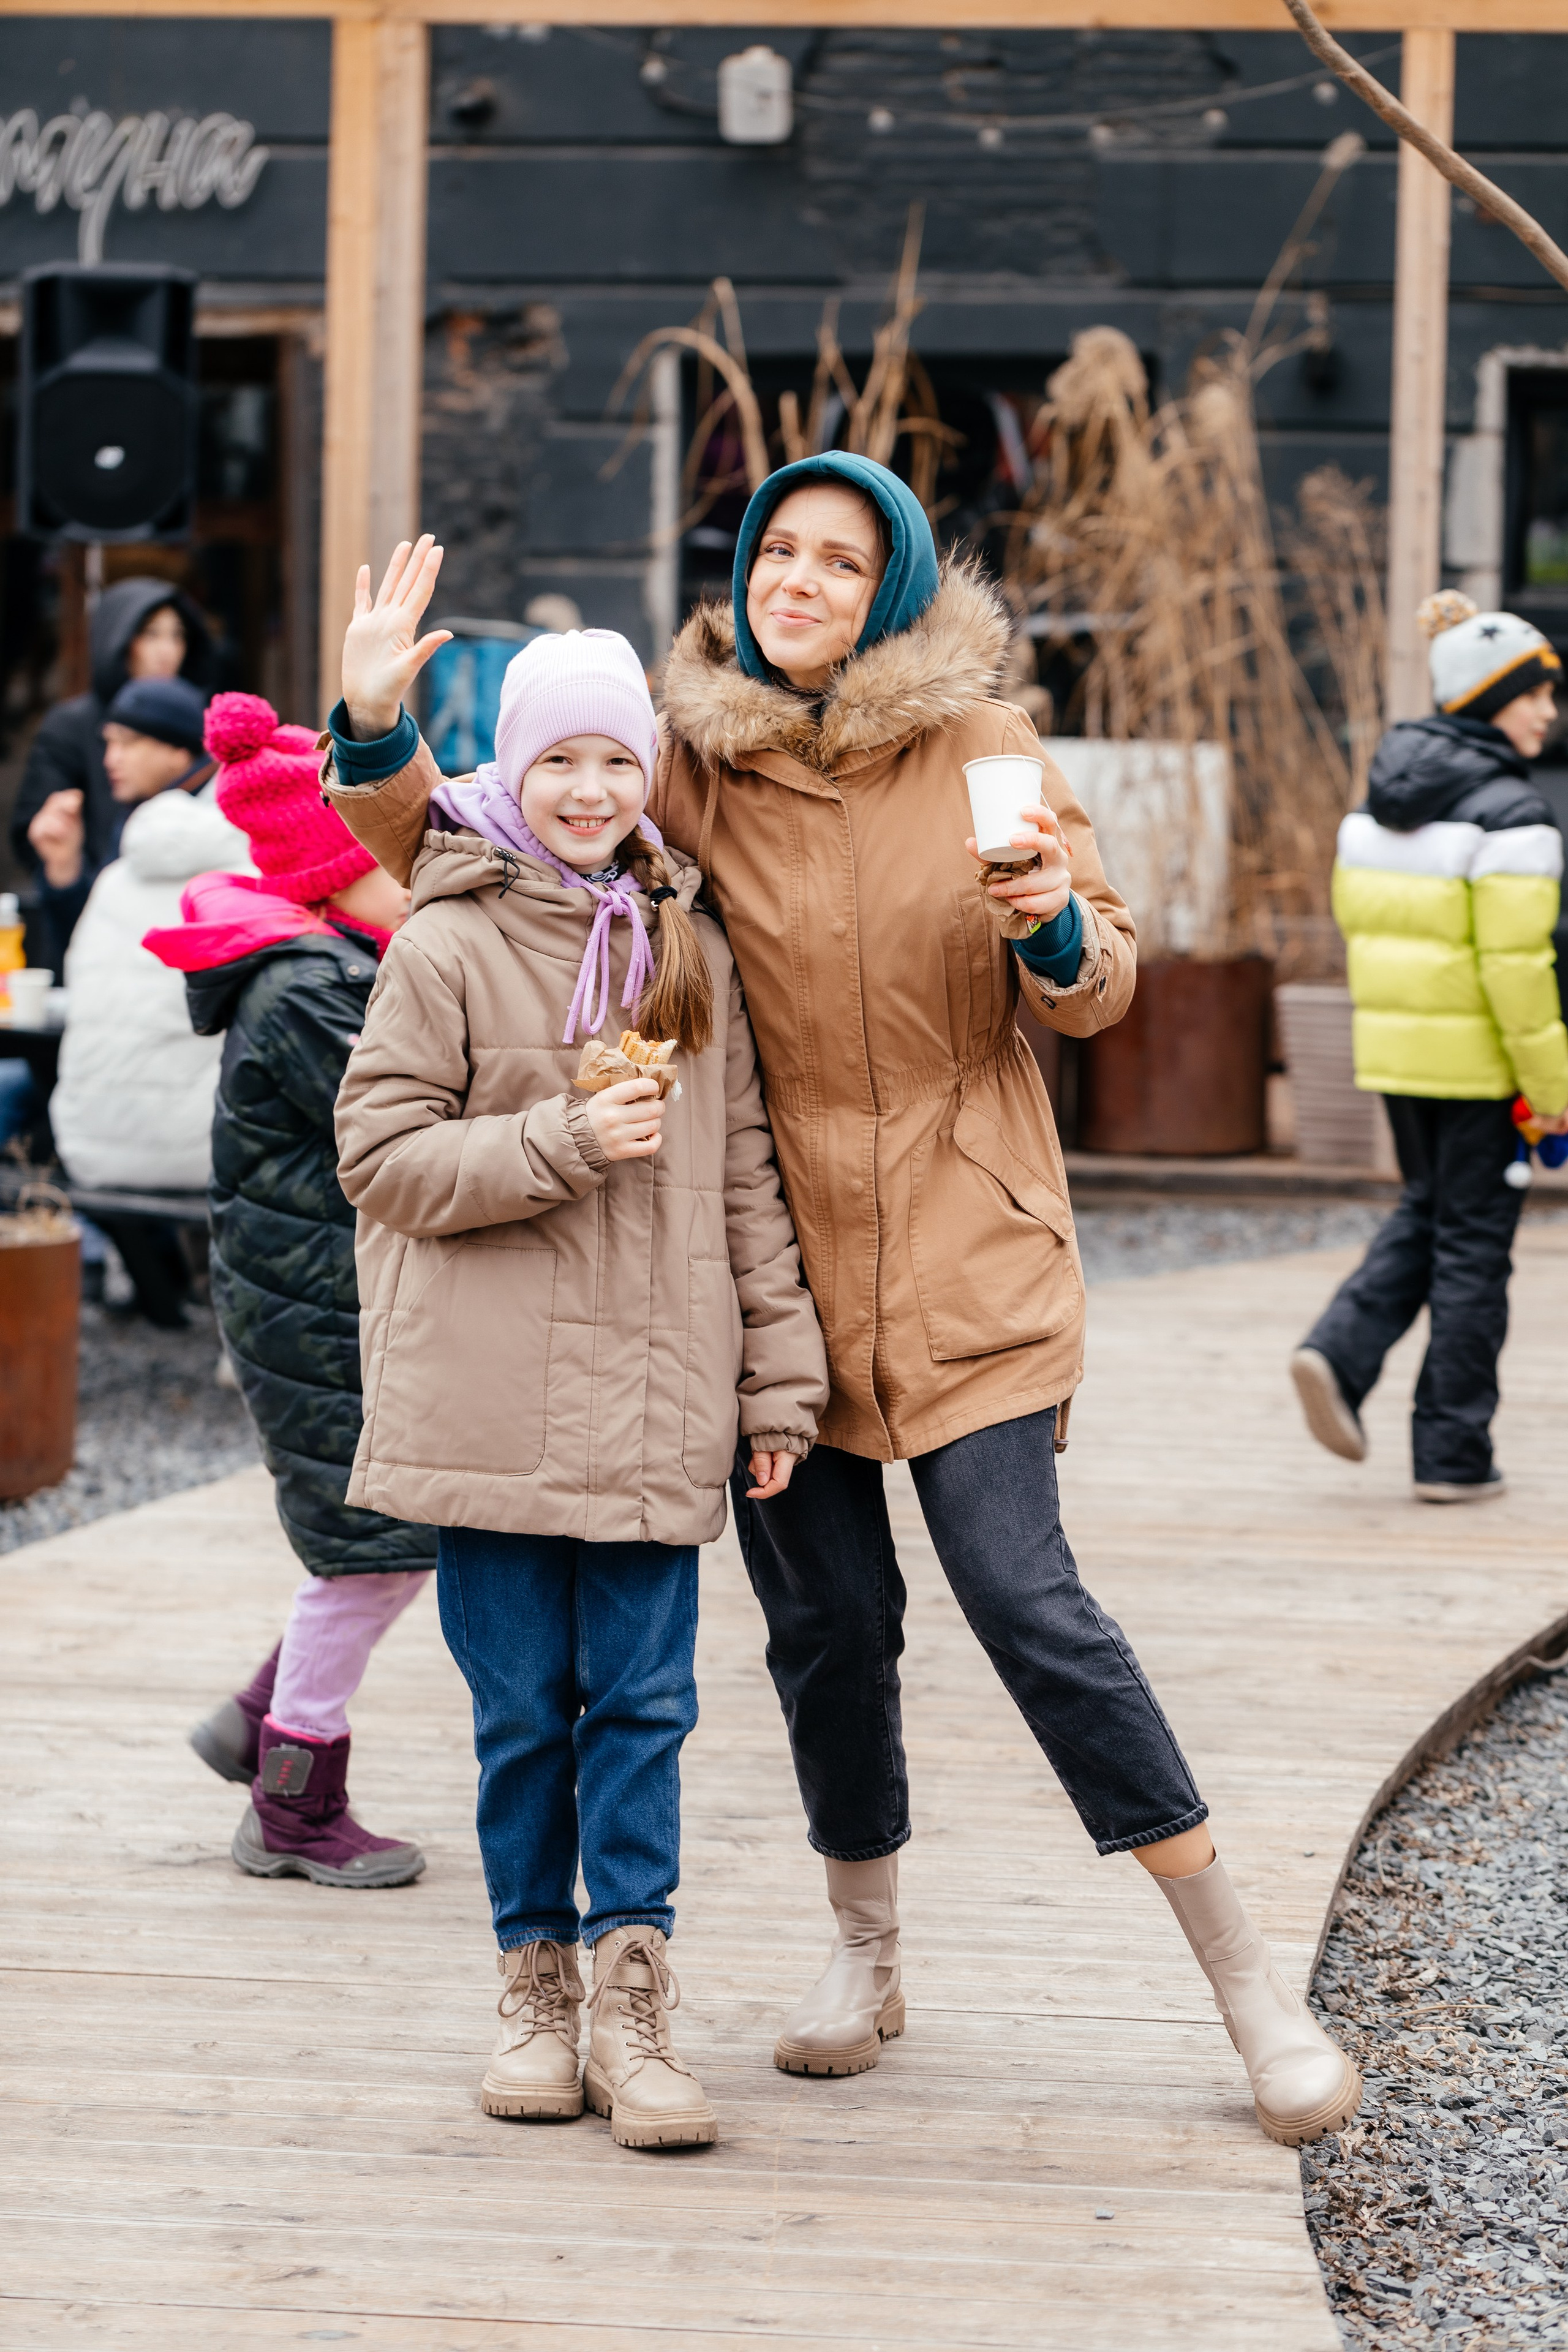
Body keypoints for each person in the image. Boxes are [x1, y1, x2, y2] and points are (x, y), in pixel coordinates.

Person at [318, 467, 1361, 2154]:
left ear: (892, 589)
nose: (799, 579)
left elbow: (1100, 975)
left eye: (841, 560)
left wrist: (1049, 934)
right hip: (771, 1277)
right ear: (741, 576)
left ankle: (1249, 1990)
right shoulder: (695, 757)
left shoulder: (982, 745)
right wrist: (373, 724)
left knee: (1031, 1604)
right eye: (777, 553)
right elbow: (485, 846)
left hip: (970, 1244)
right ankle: (864, 1950)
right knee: (830, 1627)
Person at [328, 600, 827, 2150]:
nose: (591, 789)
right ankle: (531, 1982)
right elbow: (377, 1153)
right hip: (488, 1400)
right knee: (521, 1711)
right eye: (561, 760)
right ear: (513, 768)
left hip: (655, 1390)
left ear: (651, 770)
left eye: (618, 758)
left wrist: (778, 1385)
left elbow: (744, 1176)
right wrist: (556, 1141)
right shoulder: (448, 939)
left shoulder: (689, 946)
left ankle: (633, 1994)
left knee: (644, 1701)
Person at [144, 692, 439, 1888]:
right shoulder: (312, 991)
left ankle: (256, 1718)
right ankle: (294, 1806)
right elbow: (417, 1117)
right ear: (333, 873)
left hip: (321, 1298)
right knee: (371, 1552)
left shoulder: (329, 959)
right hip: (317, 1310)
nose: (424, 884)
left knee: (382, 1541)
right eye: (396, 863)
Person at [1292, 594, 1568, 1502]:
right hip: (1486, 1071)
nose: (1548, 712)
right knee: (1475, 1250)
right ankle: (1454, 1455)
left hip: (1399, 1061)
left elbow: (1357, 928)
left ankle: (1338, 1352)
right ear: (1489, 697)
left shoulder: (1378, 804)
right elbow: (1519, 976)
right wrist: (1553, 1089)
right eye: (1535, 694)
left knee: (1432, 1211)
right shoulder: (1513, 817)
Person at [50, 676, 241, 1326]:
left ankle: (159, 1297)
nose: (110, 758)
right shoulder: (249, 872)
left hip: (88, 1146)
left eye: (128, 741)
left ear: (177, 750)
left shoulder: (114, 876)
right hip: (208, 1151)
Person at [13, 579, 211, 965]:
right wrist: (72, 877)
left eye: (177, 636)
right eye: (150, 634)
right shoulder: (70, 726)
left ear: (177, 752)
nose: (167, 650)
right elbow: (37, 835)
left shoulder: (199, 728)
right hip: (85, 915)